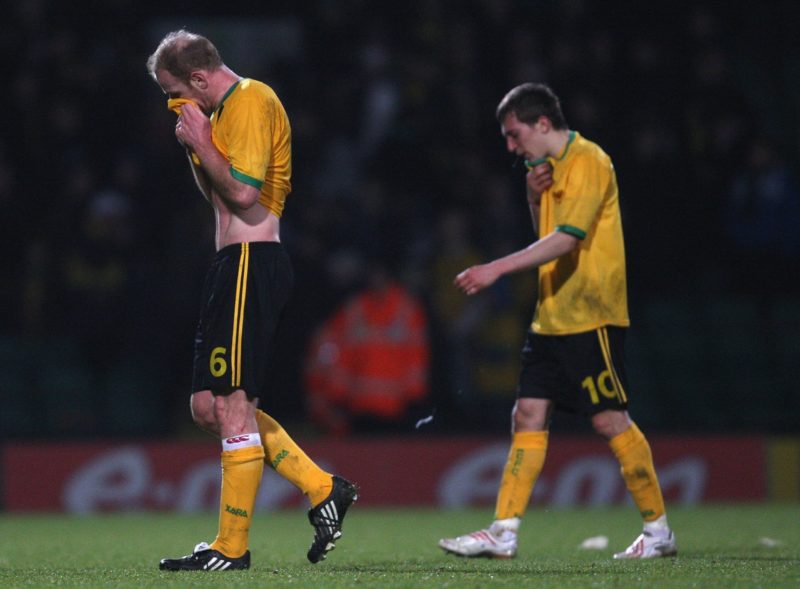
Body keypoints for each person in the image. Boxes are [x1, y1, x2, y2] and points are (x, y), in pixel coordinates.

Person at [146, 30, 357, 571]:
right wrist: (199, 147)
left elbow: (244, 193)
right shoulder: (219, 115)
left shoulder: (254, 99)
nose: (173, 105)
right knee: (206, 407)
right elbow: (219, 197)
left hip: (251, 262)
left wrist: (203, 143)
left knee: (234, 403)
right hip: (229, 264)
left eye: (174, 93)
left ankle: (231, 548)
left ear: (198, 79)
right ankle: (321, 486)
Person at [438, 83, 677, 560]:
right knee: (526, 414)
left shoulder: (589, 160)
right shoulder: (543, 170)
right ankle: (503, 530)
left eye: (513, 134)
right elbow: (546, 235)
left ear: (542, 123)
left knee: (610, 420)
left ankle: (658, 532)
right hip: (552, 316)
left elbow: (568, 241)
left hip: (592, 314)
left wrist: (495, 268)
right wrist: (531, 197)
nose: (510, 145)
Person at [305, 260, 430, 435]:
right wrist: (337, 395)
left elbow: (416, 356)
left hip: (397, 407)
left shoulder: (406, 309)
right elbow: (340, 355)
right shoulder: (355, 309)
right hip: (359, 405)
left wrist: (415, 396)